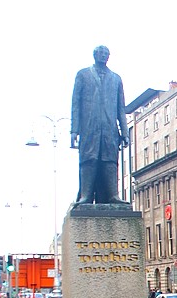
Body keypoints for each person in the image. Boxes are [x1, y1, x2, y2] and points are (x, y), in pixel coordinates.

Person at [70, 45, 128, 205]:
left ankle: (113, 195)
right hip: (89, 127)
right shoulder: (83, 74)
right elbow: (75, 103)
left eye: (106, 54)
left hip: (109, 128)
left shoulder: (116, 79)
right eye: (100, 53)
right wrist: (74, 130)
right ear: (94, 55)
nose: (103, 56)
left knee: (110, 160)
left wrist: (125, 132)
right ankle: (86, 196)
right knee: (89, 159)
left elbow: (120, 108)